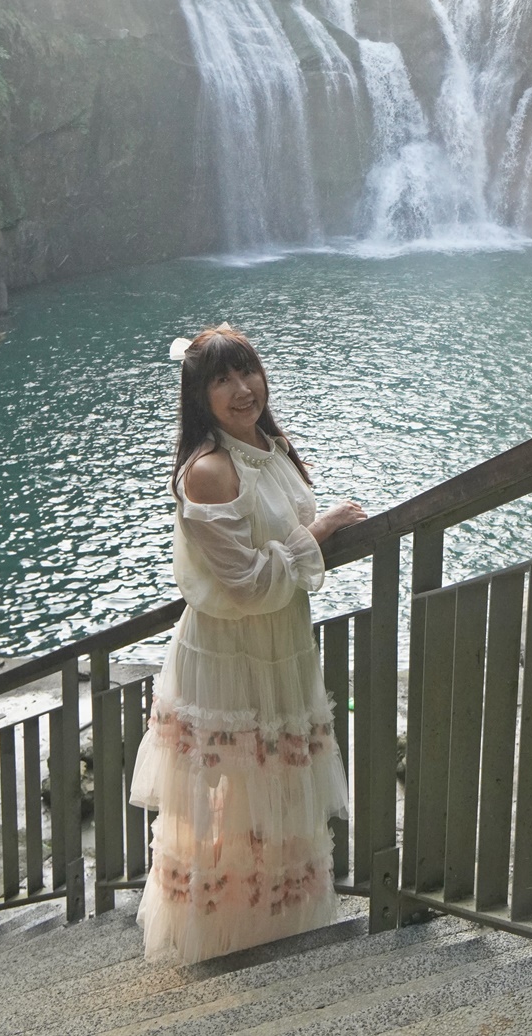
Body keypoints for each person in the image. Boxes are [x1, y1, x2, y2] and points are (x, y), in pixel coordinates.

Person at [129, 323, 365, 964]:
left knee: (276, 795)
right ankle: (223, 939)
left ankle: (275, 928)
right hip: (231, 653)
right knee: (229, 802)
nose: (242, 389)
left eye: (247, 371)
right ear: (198, 396)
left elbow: (271, 546)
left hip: (279, 645)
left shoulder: (267, 444)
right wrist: (322, 529)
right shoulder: (210, 470)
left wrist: (308, 534)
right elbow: (248, 584)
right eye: (222, 380)